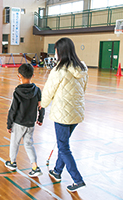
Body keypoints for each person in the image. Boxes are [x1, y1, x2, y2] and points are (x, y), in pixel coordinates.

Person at [41, 37, 88, 192]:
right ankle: (57, 171)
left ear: (60, 51)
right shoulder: (82, 68)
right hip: (76, 112)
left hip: (62, 114)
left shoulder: (58, 70)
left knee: (64, 147)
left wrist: (42, 104)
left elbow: (49, 90)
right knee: (64, 145)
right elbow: (83, 89)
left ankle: (77, 179)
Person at [5, 63, 45, 177]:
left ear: (19, 76)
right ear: (32, 75)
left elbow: (13, 109)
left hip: (18, 123)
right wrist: (40, 118)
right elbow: (41, 106)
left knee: (14, 143)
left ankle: (12, 162)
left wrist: (9, 124)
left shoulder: (18, 91)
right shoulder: (37, 90)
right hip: (30, 123)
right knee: (29, 144)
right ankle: (35, 166)